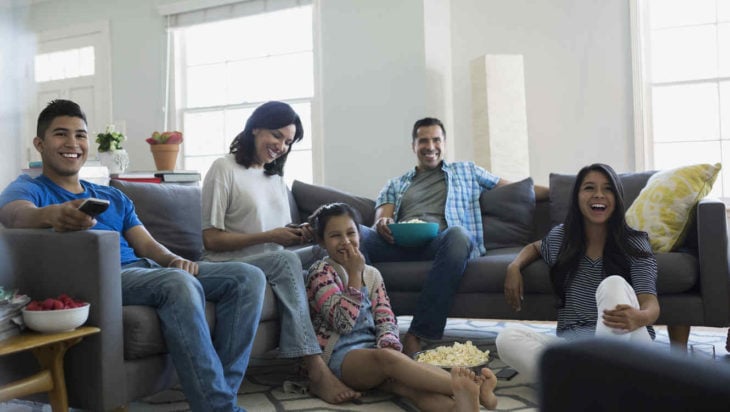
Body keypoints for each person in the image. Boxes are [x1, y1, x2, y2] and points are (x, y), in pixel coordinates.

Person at [0, 99, 266, 412]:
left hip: (147, 269)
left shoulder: (111, 195)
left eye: (80, 135)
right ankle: (218, 408)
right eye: (61, 134)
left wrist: (172, 261)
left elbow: (147, 245)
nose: (72, 143)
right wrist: (54, 215)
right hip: (104, 280)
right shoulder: (28, 189)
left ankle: (221, 395)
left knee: (248, 277)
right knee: (178, 285)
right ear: (40, 144)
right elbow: (15, 216)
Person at [200, 101, 360, 404]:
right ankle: (314, 366)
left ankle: (351, 346)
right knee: (286, 259)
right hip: (229, 263)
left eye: (288, 141)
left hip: (270, 259)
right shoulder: (224, 169)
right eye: (276, 136)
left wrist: (293, 232)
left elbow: (273, 236)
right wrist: (272, 236)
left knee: (324, 251)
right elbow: (211, 239)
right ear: (255, 127)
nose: (281, 146)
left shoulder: (274, 178)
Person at [362, 117, 549, 355]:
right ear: (413, 146)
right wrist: (383, 223)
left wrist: (566, 191)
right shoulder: (396, 184)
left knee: (459, 235)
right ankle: (363, 323)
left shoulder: (467, 171)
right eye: (423, 141)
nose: (430, 146)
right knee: (357, 234)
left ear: (445, 143)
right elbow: (381, 219)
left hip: (443, 243)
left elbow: (517, 188)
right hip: (402, 243)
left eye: (436, 140)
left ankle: (418, 333)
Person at [305, 202, 498, 412]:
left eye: (351, 233)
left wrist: (388, 342)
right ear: (322, 241)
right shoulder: (320, 273)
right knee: (389, 360)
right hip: (339, 357)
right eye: (335, 236)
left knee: (410, 386)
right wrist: (353, 275)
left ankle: (461, 406)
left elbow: (386, 317)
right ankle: (476, 388)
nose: (345, 241)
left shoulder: (371, 274)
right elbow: (342, 323)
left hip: (373, 350)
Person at [495, 163, 660, 381]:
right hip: (576, 348)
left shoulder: (634, 243)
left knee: (613, 284)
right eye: (589, 188)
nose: (598, 195)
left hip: (629, 349)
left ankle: (589, 385)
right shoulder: (562, 238)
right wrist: (513, 267)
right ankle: (596, 386)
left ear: (617, 198)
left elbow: (651, 303)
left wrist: (639, 317)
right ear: (577, 197)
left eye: (607, 189)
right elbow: (535, 247)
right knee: (507, 338)